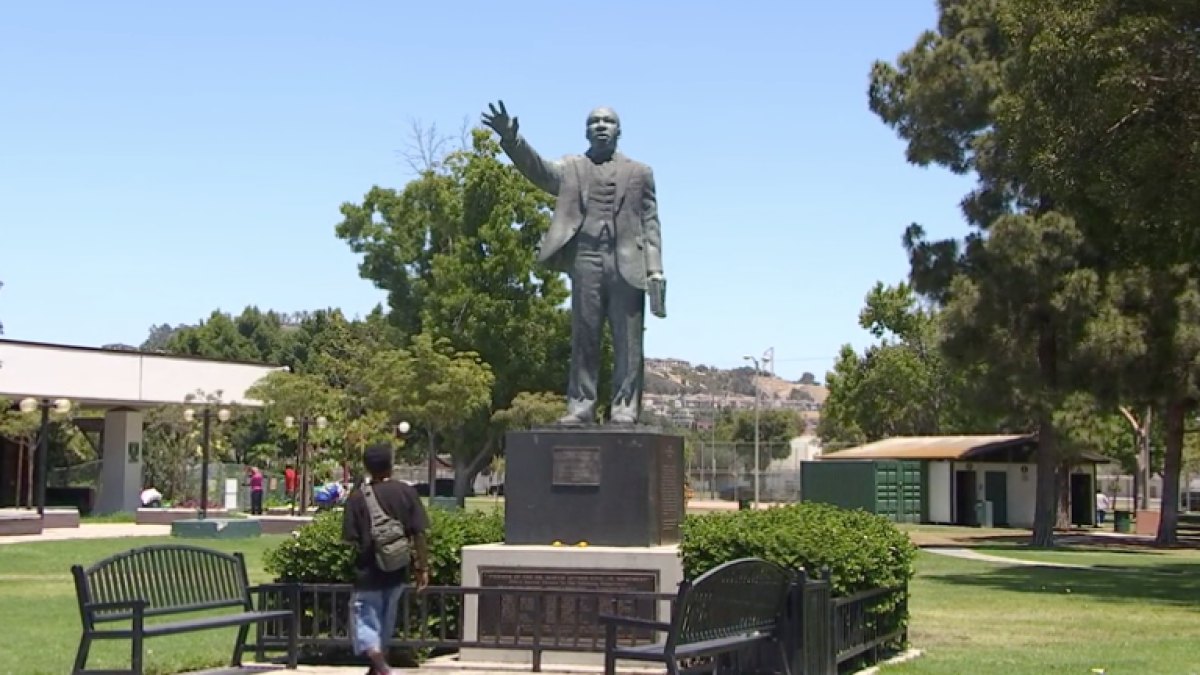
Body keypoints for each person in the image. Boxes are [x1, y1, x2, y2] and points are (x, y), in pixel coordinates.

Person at [482, 101, 666, 425]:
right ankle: (581, 406)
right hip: (587, 259)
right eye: (594, 121)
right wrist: (513, 140)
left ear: (618, 130)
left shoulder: (640, 172)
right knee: (585, 337)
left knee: (628, 342)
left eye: (608, 121)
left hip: (628, 263)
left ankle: (625, 408)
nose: (601, 126)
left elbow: (651, 223)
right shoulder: (572, 167)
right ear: (585, 130)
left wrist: (655, 269)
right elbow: (539, 170)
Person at [342, 443, 429, 675]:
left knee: (366, 623)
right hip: (398, 570)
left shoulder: (358, 498)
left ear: (367, 467)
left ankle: (382, 667)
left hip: (368, 573)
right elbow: (419, 534)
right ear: (391, 465)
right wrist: (422, 568)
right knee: (385, 624)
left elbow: (349, 539)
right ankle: (379, 668)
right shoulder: (407, 492)